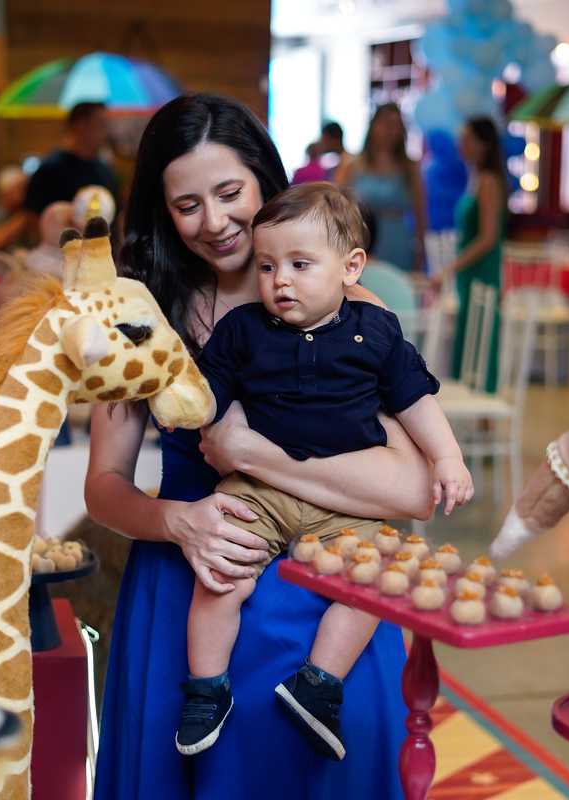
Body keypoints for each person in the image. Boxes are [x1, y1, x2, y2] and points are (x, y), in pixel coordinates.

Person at [85, 93, 434, 800]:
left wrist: (247, 454)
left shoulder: (351, 311)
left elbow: (414, 490)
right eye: (187, 206)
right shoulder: (142, 314)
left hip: (326, 597)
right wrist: (175, 521)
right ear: (162, 211)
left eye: (229, 193)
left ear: (266, 182)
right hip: (193, 585)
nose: (213, 222)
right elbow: (103, 486)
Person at [178, 182, 472, 760]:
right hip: (258, 490)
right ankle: (206, 688)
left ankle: (318, 684)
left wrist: (447, 457)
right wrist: (187, 403)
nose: (279, 281)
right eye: (267, 266)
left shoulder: (375, 330)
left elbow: (415, 400)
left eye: (300, 265)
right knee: (221, 576)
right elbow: (207, 395)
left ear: (350, 268)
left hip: (346, 504)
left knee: (375, 580)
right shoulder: (243, 329)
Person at [437, 117, 506, 393]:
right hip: (470, 270)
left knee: (481, 334)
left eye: (467, 139)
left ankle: (482, 402)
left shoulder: (489, 181)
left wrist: (450, 267)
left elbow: (488, 237)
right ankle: (468, 396)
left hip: (481, 269)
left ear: (483, 144)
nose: (460, 144)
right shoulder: (476, 178)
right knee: (469, 333)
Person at [336, 104, 426, 272]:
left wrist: (420, 260)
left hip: (398, 244)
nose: (392, 131)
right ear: (373, 125)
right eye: (387, 124)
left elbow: (421, 216)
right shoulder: (350, 163)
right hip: (360, 240)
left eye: (397, 125)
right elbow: (334, 209)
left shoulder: (410, 167)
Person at [23, 102, 118, 219]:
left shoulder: (104, 170)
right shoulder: (51, 170)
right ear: (80, 124)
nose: (107, 133)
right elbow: (32, 217)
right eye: (101, 125)